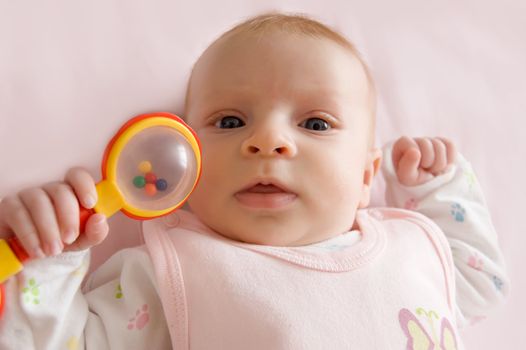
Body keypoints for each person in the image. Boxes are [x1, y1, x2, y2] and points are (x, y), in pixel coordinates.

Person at [0, 13, 508, 349]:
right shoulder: (170, 276)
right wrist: (49, 254)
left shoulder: (409, 247)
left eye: (314, 124)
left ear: (365, 177)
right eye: (228, 122)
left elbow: (482, 288)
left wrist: (437, 191)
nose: (268, 141)